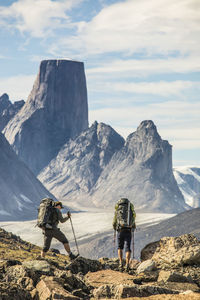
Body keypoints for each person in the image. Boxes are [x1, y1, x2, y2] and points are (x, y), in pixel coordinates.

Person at [112, 198, 136, 272]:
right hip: (128, 230)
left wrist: (116, 228)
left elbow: (114, 222)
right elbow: (133, 219)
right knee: (128, 247)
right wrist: (132, 228)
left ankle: (120, 263)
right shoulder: (130, 209)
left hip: (120, 230)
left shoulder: (118, 210)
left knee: (120, 247)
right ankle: (127, 264)